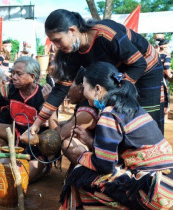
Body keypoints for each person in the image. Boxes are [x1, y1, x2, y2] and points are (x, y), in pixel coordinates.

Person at [30, 9, 164, 135]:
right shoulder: (70, 52)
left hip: (146, 67)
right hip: (120, 72)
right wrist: (36, 124)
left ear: (72, 31)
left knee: (145, 116)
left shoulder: (107, 34)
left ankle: (151, 152)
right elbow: (60, 90)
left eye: (57, 40)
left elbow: (139, 63)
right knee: (117, 114)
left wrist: (119, 92)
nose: (56, 46)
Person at [60, 61, 173, 209]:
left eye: (85, 87)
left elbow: (105, 165)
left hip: (154, 191)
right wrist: (91, 141)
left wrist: (82, 154)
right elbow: (121, 152)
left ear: (97, 89)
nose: (83, 93)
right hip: (167, 182)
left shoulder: (109, 114)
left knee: (79, 175)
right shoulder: (131, 106)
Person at [51, 69, 98, 167]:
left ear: (81, 88)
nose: (67, 91)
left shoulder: (86, 113)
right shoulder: (83, 105)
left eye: (69, 86)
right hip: (98, 150)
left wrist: (50, 106)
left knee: (67, 143)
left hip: (105, 158)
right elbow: (67, 123)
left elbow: (58, 137)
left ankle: (88, 176)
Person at [159, 39, 172, 116]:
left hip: (154, 78)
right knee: (165, 96)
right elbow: (167, 69)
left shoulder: (156, 54)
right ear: (166, 46)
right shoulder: (167, 55)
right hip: (163, 79)